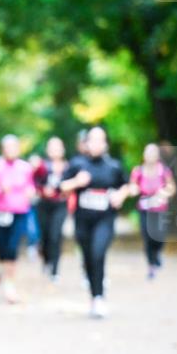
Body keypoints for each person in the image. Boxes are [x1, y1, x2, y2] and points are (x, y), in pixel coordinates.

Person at [60, 127, 129, 319]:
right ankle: (94, 296)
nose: (97, 144)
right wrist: (76, 182)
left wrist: (120, 195)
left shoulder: (113, 166)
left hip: (105, 219)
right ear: (87, 143)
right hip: (83, 221)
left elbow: (126, 185)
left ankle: (99, 298)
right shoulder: (77, 164)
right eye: (93, 140)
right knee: (89, 258)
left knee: (98, 253)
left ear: (106, 144)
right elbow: (61, 187)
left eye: (101, 140)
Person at [0, 135, 36, 304]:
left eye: (14, 147)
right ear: (3, 149)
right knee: (2, 247)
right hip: (0, 214)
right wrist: (0, 191)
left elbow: (31, 185)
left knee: (13, 247)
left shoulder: (25, 168)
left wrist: (31, 192)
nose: (11, 150)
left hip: (19, 212)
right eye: (7, 147)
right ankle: (2, 269)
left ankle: (9, 284)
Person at [128, 143, 176, 279]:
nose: (150, 155)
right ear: (144, 155)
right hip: (144, 208)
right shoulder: (138, 171)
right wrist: (133, 190)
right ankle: (151, 265)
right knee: (147, 237)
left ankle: (157, 254)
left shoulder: (164, 170)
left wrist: (164, 192)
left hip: (160, 207)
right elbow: (132, 186)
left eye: (153, 153)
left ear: (157, 156)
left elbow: (171, 187)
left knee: (159, 236)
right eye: (147, 152)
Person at [33, 137, 71, 282]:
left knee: (56, 235)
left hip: (60, 204)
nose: (55, 151)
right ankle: (46, 261)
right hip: (44, 204)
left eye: (58, 147)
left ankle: (55, 270)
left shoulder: (68, 167)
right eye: (52, 147)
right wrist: (42, 190)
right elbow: (34, 182)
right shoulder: (42, 166)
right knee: (45, 236)